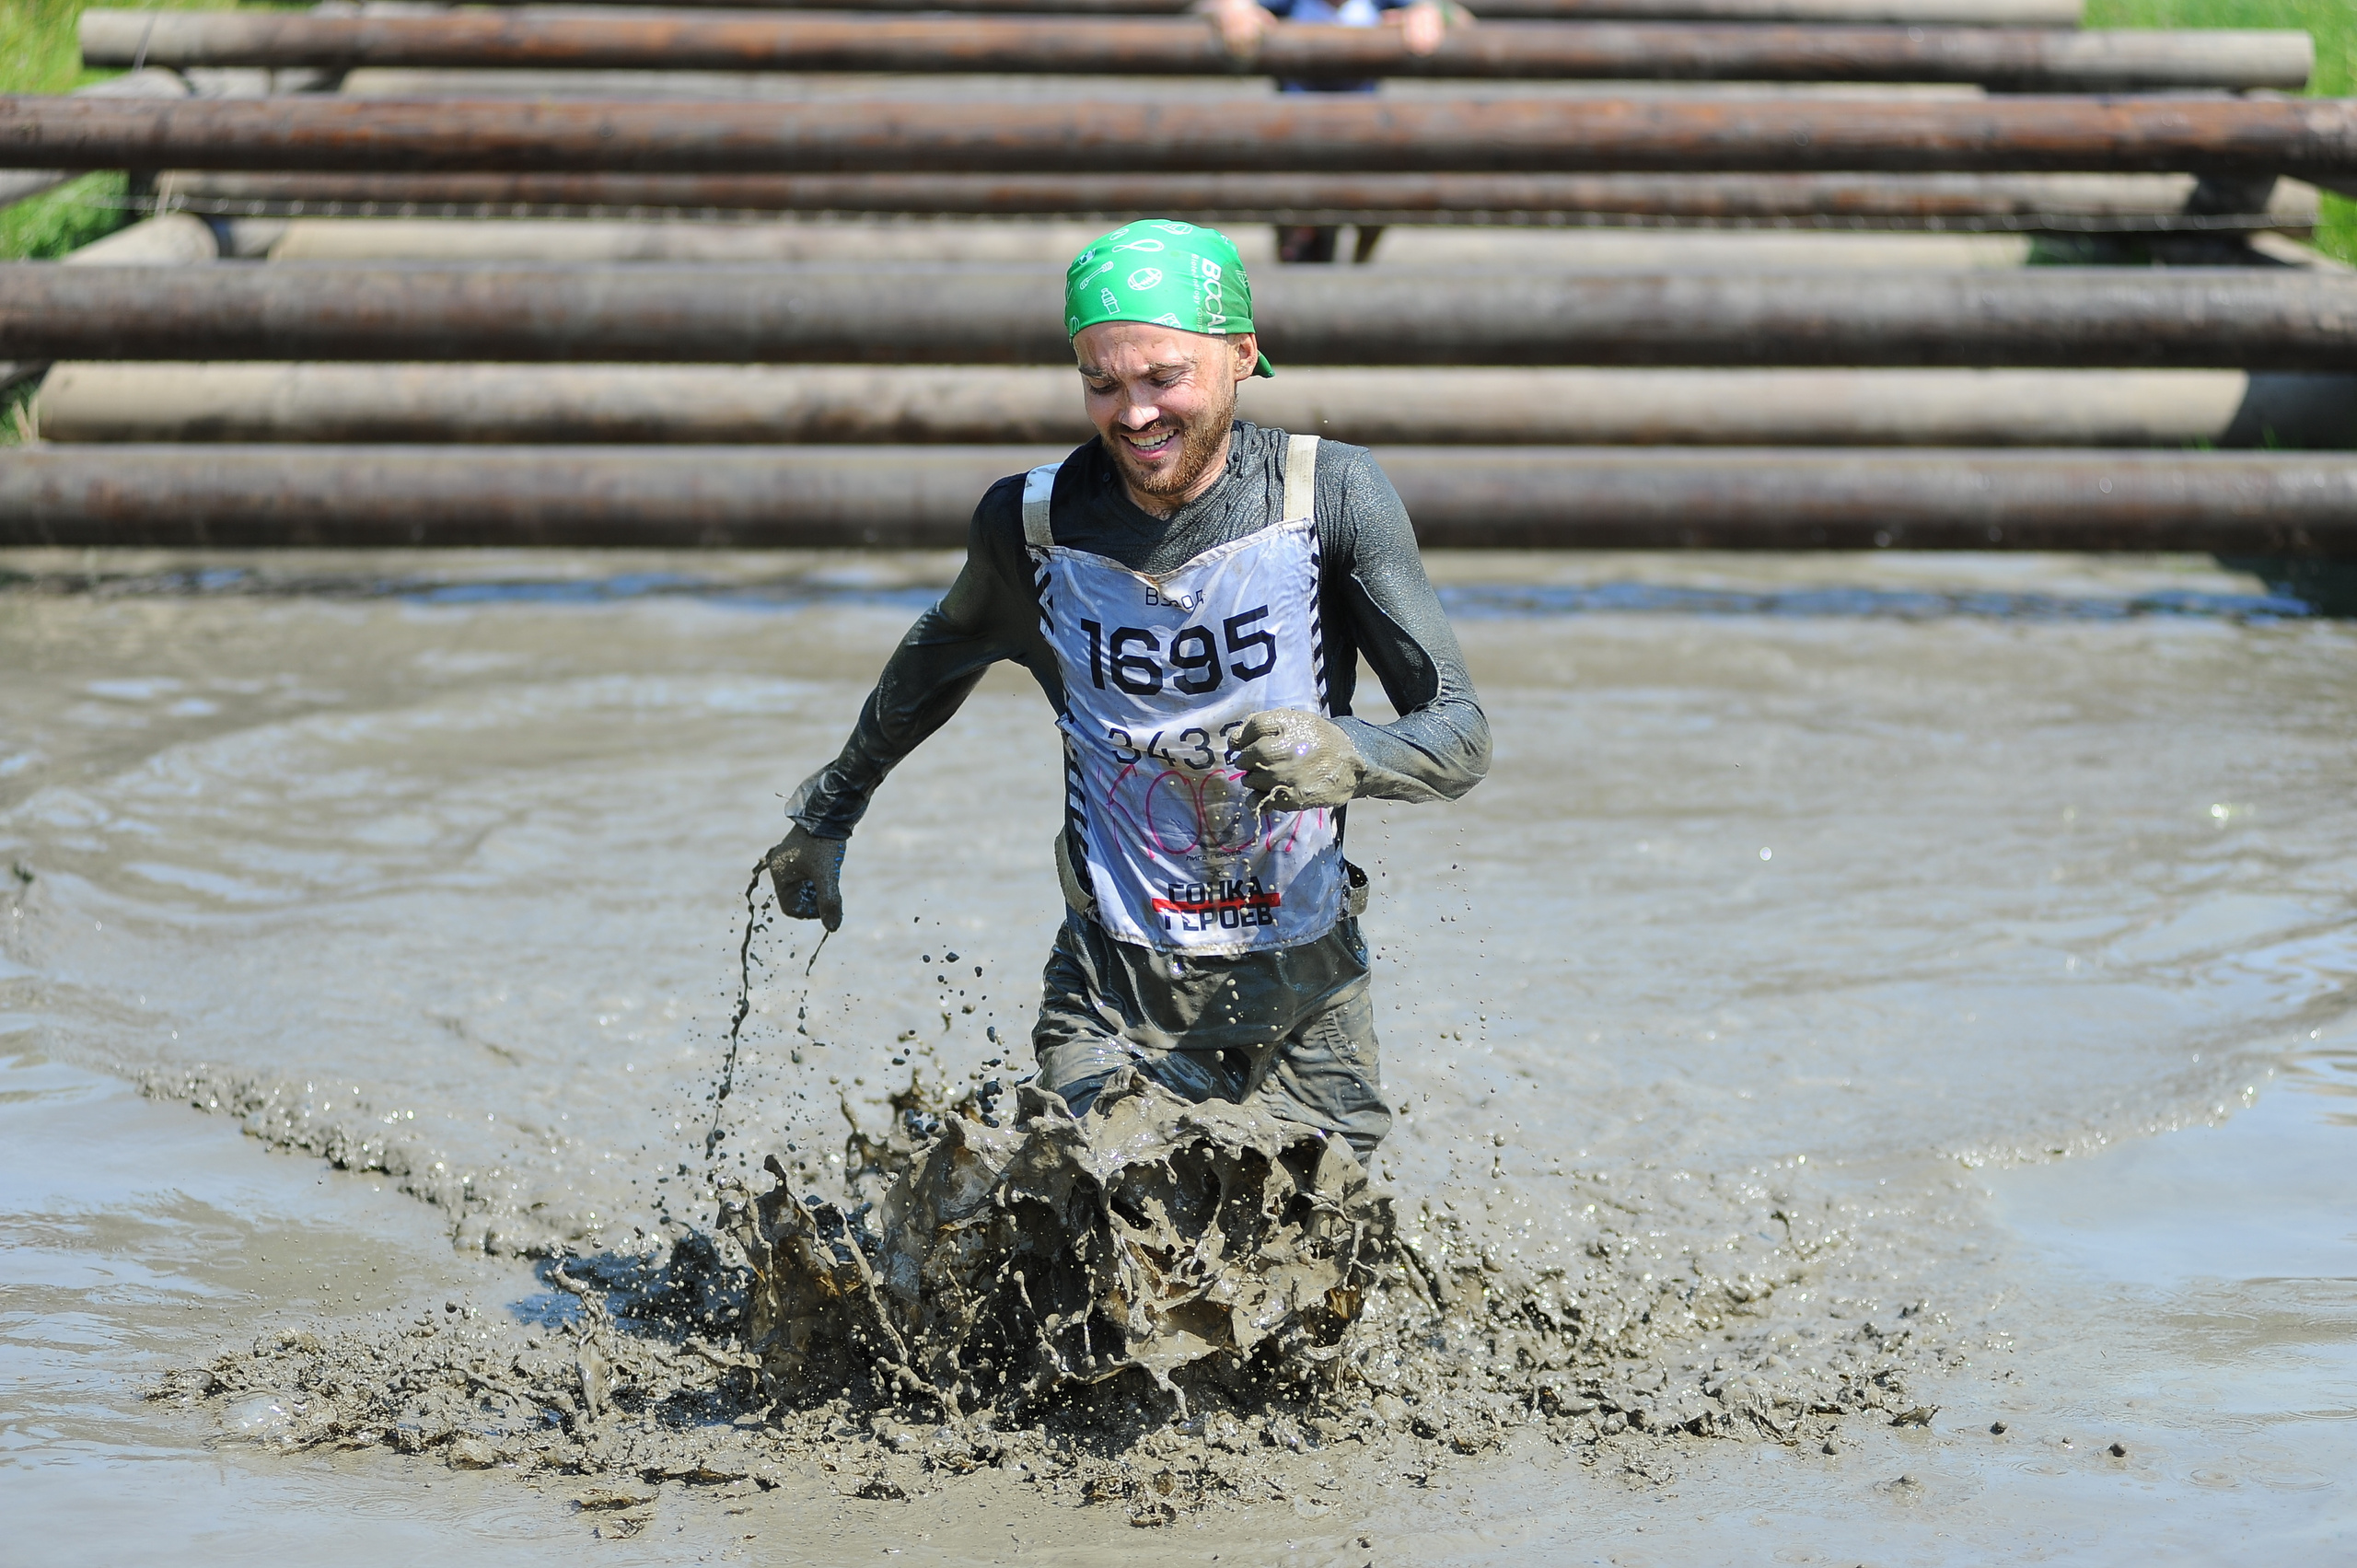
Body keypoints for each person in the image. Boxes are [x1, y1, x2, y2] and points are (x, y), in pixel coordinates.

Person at [762, 220, 1489, 1160]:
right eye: (1101, 383)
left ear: (1241, 354)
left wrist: (1355, 753)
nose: (1133, 414)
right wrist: (827, 814)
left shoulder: (1328, 493)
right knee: (1094, 1235)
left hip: (1307, 997)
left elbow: (1460, 735)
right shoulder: (1033, 523)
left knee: (1321, 1265)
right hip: (1111, 988)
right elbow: (932, 660)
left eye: (1163, 378)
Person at [1202, 0, 1457, 263]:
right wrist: (1233, 9)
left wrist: (1431, 13)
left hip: (1362, 139)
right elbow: (1210, 6)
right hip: (1297, 142)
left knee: (1376, 208)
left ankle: (1360, 256)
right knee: (1301, 246)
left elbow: (1455, 14)